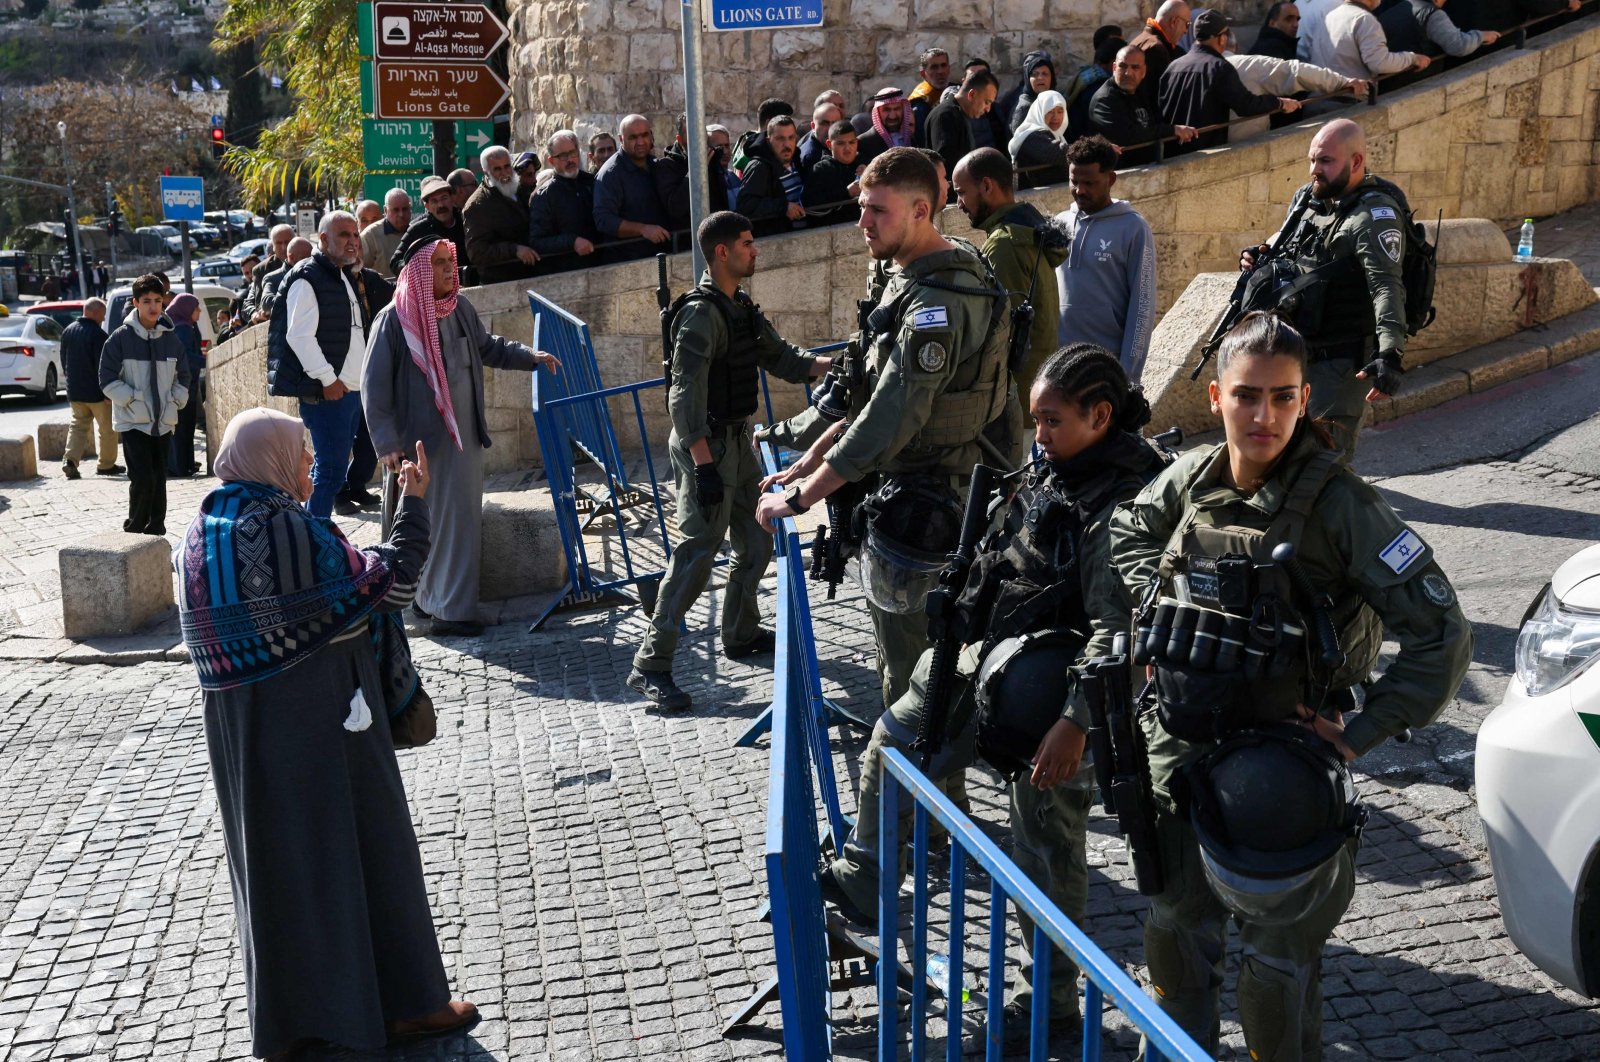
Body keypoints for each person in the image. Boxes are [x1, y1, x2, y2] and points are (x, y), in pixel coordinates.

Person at [1110, 312, 1471, 1060]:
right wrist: (1166, 604)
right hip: (1178, 747)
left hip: (1280, 766)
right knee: (1175, 939)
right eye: (1247, 396)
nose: (1263, 415)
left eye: (1281, 397)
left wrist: (1362, 732)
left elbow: (1442, 633)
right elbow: (1126, 533)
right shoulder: (1191, 478)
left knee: (1274, 974)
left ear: (1305, 400)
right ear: (1215, 398)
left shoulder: (1343, 507)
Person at [818, 345, 1167, 1052]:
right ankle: (862, 883)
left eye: (1052, 420)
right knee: (893, 738)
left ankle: (1053, 1006)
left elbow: (1121, 631)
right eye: (1036, 419)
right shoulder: (1057, 466)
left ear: (1101, 416)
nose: (1037, 434)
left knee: (1045, 852)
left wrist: (1073, 724)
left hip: (1059, 702)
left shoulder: (1122, 503)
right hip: (992, 662)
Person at [177, 407, 479, 1059]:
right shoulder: (287, 531)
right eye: (301, 452)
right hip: (325, 719)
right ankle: (408, 1005)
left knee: (278, 873)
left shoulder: (200, 533)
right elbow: (387, 587)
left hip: (243, 738)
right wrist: (415, 507)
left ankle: (292, 1025)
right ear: (274, 458)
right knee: (369, 854)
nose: (309, 465)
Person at [757, 148, 1019, 714]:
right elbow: (867, 393)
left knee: (915, 682)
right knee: (899, 657)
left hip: (929, 509)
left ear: (921, 211)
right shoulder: (906, 274)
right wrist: (808, 459)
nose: (862, 222)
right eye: (863, 207)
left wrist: (803, 497)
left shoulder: (939, 303)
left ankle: (919, 796)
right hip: (901, 488)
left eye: (877, 210)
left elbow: (892, 415)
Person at [626, 213, 830, 709]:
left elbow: (785, 359)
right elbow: (682, 396)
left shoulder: (738, 307)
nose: (755, 250)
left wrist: (841, 364)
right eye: (746, 243)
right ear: (722, 253)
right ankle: (650, 665)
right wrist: (703, 465)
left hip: (738, 441)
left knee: (758, 538)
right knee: (697, 553)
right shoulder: (700, 314)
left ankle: (740, 631)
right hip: (707, 447)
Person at [363, 239, 561, 638]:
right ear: (419, 270)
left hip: (463, 442)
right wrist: (387, 446)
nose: (448, 270)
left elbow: (489, 348)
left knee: (459, 526)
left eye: (449, 262)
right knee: (424, 523)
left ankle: (445, 605)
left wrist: (529, 357)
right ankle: (440, 607)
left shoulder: (460, 309)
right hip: (419, 449)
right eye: (437, 264)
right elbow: (374, 387)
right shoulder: (394, 319)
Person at [1240, 118, 1411, 456]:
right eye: (1312, 160)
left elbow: (1386, 286)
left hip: (1340, 362)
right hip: (1296, 350)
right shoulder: (1308, 198)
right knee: (1282, 453)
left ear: (1356, 162)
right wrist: (1259, 253)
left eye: (1326, 161)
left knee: (1324, 463)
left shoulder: (1373, 216)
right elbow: (1285, 245)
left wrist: (1390, 354)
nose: (1314, 170)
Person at [268, 212, 374, 519]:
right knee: (329, 471)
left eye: (355, 235)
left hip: (350, 392)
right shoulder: (308, 276)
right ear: (323, 239)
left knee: (334, 471)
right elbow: (299, 336)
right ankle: (312, 538)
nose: (352, 241)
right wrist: (328, 380)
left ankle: (314, 535)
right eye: (344, 235)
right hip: (330, 394)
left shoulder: (340, 274)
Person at [952, 147, 1067, 408]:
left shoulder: (1004, 244)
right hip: (1035, 390)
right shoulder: (1027, 231)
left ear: (986, 186)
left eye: (961, 193)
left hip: (1015, 401)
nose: (958, 204)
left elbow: (1000, 334)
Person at [1054, 136, 1158, 379]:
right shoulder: (1059, 224)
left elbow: (1142, 305)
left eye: (1089, 183)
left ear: (1110, 179)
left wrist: (1128, 375)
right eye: (1074, 181)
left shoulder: (1134, 228)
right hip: (1058, 364)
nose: (1079, 190)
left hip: (1106, 368)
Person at [98, 274, 188, 535]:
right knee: (142, 478)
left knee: (160, 479)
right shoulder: (119, 339)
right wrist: (133, 398)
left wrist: (175, 400)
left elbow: (184, 375)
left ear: (164, 303)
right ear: (136, 302)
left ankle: (157, 527)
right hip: (133, 421)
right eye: (146, 300)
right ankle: (135, 526)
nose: (153, 306)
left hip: (163, 421)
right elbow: (106, 379)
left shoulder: (171, 339)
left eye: (158, 301)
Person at [1160, 11, 1302, 151]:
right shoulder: (1219, 67)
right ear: (1221, 38)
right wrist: (1280, 103)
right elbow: (1246, 105)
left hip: (1171, 153)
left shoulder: (1173, 66)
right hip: (1204, 153)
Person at [1091, 46, 1199, 165]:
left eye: (1135, 67)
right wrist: (1171, 130)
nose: (1128, 73)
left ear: (1144, 71)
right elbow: (1128, 136)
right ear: (1114, 68)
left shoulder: (1140, 92)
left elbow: (1155, 123)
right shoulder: (1104, 100)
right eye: (1123, 66)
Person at [594, 114, 672, 261]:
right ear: (621, 139)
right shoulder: (611, 174)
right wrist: (643, 229)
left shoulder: (655, 165)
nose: (641, 142)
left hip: (663, 255)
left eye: (644, 135)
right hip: (628, 262)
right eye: (633, 137)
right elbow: (603, 220)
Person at [61, 297, 121, 480]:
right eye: (102, 315)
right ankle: (106, 465)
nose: (103, 319)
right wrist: (107, 391)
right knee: (108, 430)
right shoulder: (98, 335)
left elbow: (64, 361)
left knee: (78, 427)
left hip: (75, 392)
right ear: (94, 312)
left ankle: (70, 461)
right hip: (97, 394)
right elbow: (102, 367)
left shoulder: (68, 331)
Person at [462, 145, 539, 283]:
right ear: (486, 172)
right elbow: (477, 252)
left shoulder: (520, 189)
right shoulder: (477, 205)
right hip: (502, 281)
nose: (505, 173)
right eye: (497, 169)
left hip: (532, 273)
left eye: (507, 166)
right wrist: (514, 250)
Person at [529, 129, 603, 269]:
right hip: (567, 270)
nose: (570, 160)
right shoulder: (544, 195)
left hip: (602, 263)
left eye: (572, 153)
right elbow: (537, 241)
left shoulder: (592, 182)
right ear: (551, 160)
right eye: (563, 156)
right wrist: (571, 242)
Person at [1309, 0, 1430, 81]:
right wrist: (1413, 59)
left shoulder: (1328, 18)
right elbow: (1379, 63)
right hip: (1348, 102)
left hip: (1318, 102)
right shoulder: (1364, 19)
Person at [736, 115, 809, 235]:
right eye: (780, 139)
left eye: (791, 138)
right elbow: (746, 205)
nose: (787, 144)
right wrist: (783, 207)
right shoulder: (759, 167)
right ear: (768, 140)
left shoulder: (798, 160)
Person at [926, 70, 1000, 183]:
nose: (988, 109)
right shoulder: (945, 116)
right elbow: (947, 165)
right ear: (972, 94)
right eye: (986, 102)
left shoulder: (960, 114)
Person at [390, 176, 470, 279]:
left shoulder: (466, 221)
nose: (441, 205)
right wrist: (423, 271)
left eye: (444, 198)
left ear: (452, 198)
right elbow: (396, 262)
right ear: (427, 206)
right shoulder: (418, 230)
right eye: (434, 201)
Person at [165, 292, 205, 477]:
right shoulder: (183, 329)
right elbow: (186, 357)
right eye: (196, 308)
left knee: (186, 427)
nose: (199, 311)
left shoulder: (183, 326)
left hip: (184, 385)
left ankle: (185, 464)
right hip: (183, 386)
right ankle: (180, 466)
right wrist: (206, 360)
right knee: (182, 429)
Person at [1378, 0, 1501, 56]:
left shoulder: (1403, 6)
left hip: (1391, 85)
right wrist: (1482, 36)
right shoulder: (1433, 15)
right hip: (1417, 83)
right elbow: (1458, 46)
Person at [1129, 0, 1192, 105]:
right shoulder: (1157, 49)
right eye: (1187, 24)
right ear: (1174, 21)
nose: (1186, 31)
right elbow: (1158, 98)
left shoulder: (1141, 39)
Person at [801, 120, 864, 224]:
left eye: (851, 142)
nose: (847, 148)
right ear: (829, 144)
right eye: (841, 143)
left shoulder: (864, 163)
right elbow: (811, 205)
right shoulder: (820, 170)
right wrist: (846, 193)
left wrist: (869, 175)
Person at [1009, 89, 1071, 189]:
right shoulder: (1030, 136)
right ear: (1039, 112)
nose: (1056, 117)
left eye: (1060, 111)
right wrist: (1086, 150)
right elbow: (1057, 152)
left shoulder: (1057, 135)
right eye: (1050, 111)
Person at [257, 237, 313, 323]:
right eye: (304, 259)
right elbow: (266, 303)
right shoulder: (273, 278)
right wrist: (297, 299)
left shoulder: (316, 273)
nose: (309, 262)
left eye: (311, 258)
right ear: (291, 257)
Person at [1000, 50, 1057, 133]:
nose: (1040, 78)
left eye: (1045, 74)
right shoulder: (1023, 107)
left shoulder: (1056, 101)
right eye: (1035, 74)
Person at [856, 87, 914, 168]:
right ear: (878, 112)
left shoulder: (914, 138)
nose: (892, 116)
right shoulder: (864, 142)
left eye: (897, 109)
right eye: (886, 110)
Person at [362, 188, 413, 279]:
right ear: (385, 210)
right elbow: (361, 272)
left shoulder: (416, 232)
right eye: (396, 210)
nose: (401, 214)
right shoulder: (370, 236)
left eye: (405, 209)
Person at [907, 47, 953, 144]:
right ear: (923, 74)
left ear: (949, 69)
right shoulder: (919, 103)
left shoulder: (956, 91)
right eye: (934, 67)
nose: (940, 71)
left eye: (943, 65)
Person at [798, 99, 843, 173]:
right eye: (825, 123)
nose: (830, 128)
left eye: (835, 123)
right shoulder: (810, 158)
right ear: (813, 126)